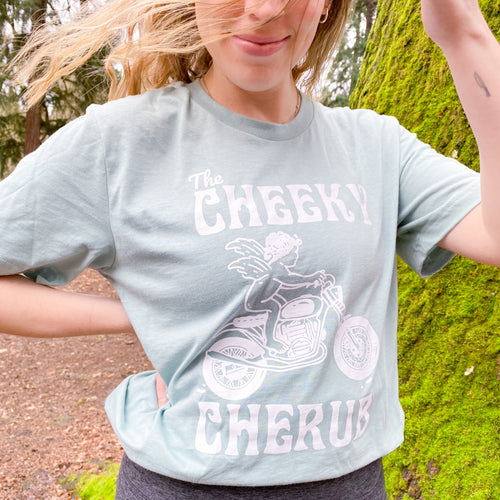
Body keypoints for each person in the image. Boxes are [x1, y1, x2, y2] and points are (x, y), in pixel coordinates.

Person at [0, 0, 498, 498]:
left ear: (325, 6)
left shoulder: (376, 146)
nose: (263, 10)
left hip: (353, 484)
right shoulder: (120, 143)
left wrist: (463, 36)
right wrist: (136, 317)